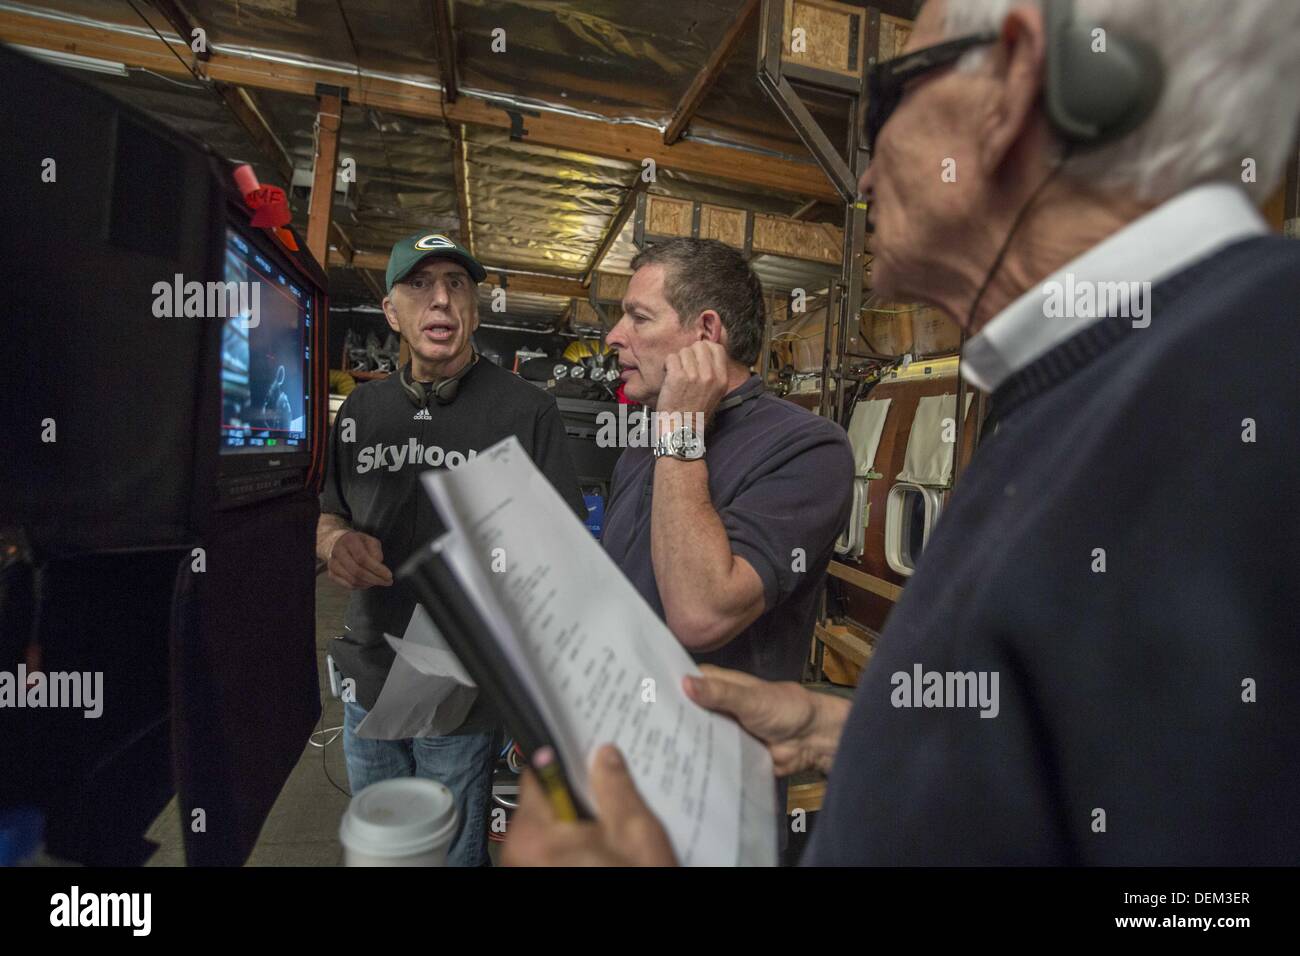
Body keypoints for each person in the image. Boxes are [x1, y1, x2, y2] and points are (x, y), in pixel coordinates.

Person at [503, 0, 1300, 865]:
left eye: (885, 104)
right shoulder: (1097, 384)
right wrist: (840, 729)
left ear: (1013, 85)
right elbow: (1099, 761)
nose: (867, 175)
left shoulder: (1252, 381)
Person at [318, 231, 584, 866]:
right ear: (391, 312)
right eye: (419, 285)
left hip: (460, 687)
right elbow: (328, 511)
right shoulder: (361, 409)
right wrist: (334, 544)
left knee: (448, 857)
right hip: (368, 675)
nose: (440, 300)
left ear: (475, 303)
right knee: (382, 852)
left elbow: (563, 550)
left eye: (456, 284)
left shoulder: (527, 410)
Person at [598, 237, 854, 832]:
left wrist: (683, 430)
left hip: (709, 794)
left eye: (639, 317)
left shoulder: (807, 447)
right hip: (617, 757)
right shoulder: (648, 434)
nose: (615, 336)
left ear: (706, 331)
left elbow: (701, 612)